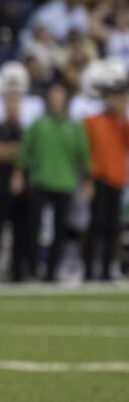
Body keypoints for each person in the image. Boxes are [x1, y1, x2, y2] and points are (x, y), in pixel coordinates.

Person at [19, 83, 91, 282]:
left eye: (60, 96)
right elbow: (24, 151)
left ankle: (52, 271)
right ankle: (32, 268)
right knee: (33, 226)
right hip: (40, 181)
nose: (57, 100)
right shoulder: (39, 123)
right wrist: (18, 173)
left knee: (59, 230)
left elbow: (83, 156)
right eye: (54, 96)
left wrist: (87, 180)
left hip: (64, 182)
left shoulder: (74, 127)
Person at [82, 83, 129, 280]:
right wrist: (88, 180)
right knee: (96, 225)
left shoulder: (122, 124)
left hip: (116, 180)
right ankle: (88, 271)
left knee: (112, 227)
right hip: (99, 179)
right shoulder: (92, 122)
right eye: (112, 98)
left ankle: (106, 271)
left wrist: (123, 116)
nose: (115, 102)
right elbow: (85, 153)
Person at [0, 90, 31, 282]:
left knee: (21, 231)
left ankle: (17, 272)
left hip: (20, 187)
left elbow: (28, 154)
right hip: (0, 186)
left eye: (15, 105)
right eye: (9, 105)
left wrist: (11, 150)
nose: (12, 109)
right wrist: (18, 149)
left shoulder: (24, 130)